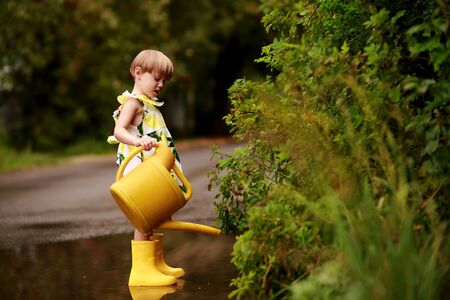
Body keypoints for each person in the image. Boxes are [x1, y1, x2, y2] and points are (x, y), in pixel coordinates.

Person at [108, 49, 184, 287]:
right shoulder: (133, 103)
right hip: (139, 170)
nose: (161, 84)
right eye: (157, 78)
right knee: (143, 220)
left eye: (164, 81)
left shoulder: (150, 105)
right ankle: (141, 272)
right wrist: (138, 141)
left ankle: (155, 264)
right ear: (138, 73)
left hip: (152, 170)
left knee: (152, 217)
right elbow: (118, 131)